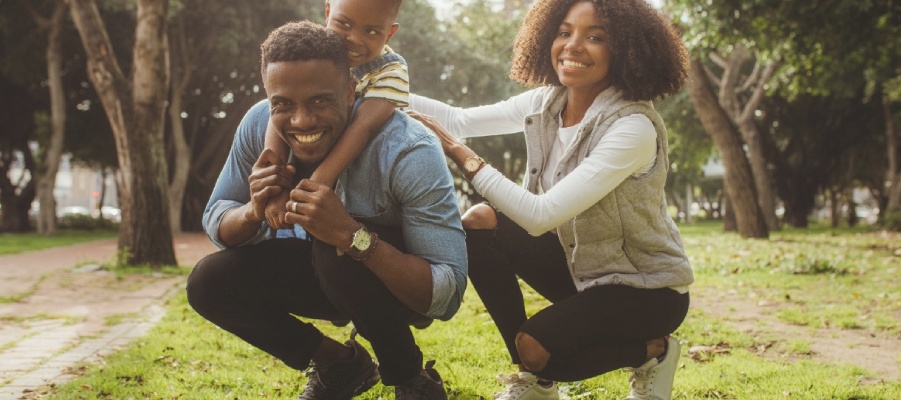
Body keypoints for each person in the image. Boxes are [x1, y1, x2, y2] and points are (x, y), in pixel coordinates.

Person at [407, 0, 693, 399]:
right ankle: (534, 381)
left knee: (538, 348)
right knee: (479, 222)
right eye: (564, 32)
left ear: (626, 49)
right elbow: (457, 120)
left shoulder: (632, 128)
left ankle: (653, 350)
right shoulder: (546, 103)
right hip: (583, 269)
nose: (573, 45)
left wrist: (465, 158)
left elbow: (540, 216)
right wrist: (373, 86)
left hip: (646, 292)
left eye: (595, 37)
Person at [186, 20, 467, 400]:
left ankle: (412, 380)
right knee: (209, 281)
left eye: (320, 100)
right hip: (321, 274)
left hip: (396, 287)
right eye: (283, 105)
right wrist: (254, 210)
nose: (301, 121)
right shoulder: (257, 125)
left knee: (336, 251)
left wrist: (353, 237)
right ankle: (340, 364)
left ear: (351, 92)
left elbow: (446, 295)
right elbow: (217, 219)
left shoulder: (408, 148)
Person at [262, 0, 410, 232]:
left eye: (371, 31)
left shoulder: (390, 72)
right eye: (344, 24)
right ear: (328, 11)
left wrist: (318, 183)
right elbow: (279, 113)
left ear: (389, 33)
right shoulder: (310, 53)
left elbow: (363, 126)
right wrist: (275, 188)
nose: (354, 39)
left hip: (359, 173)